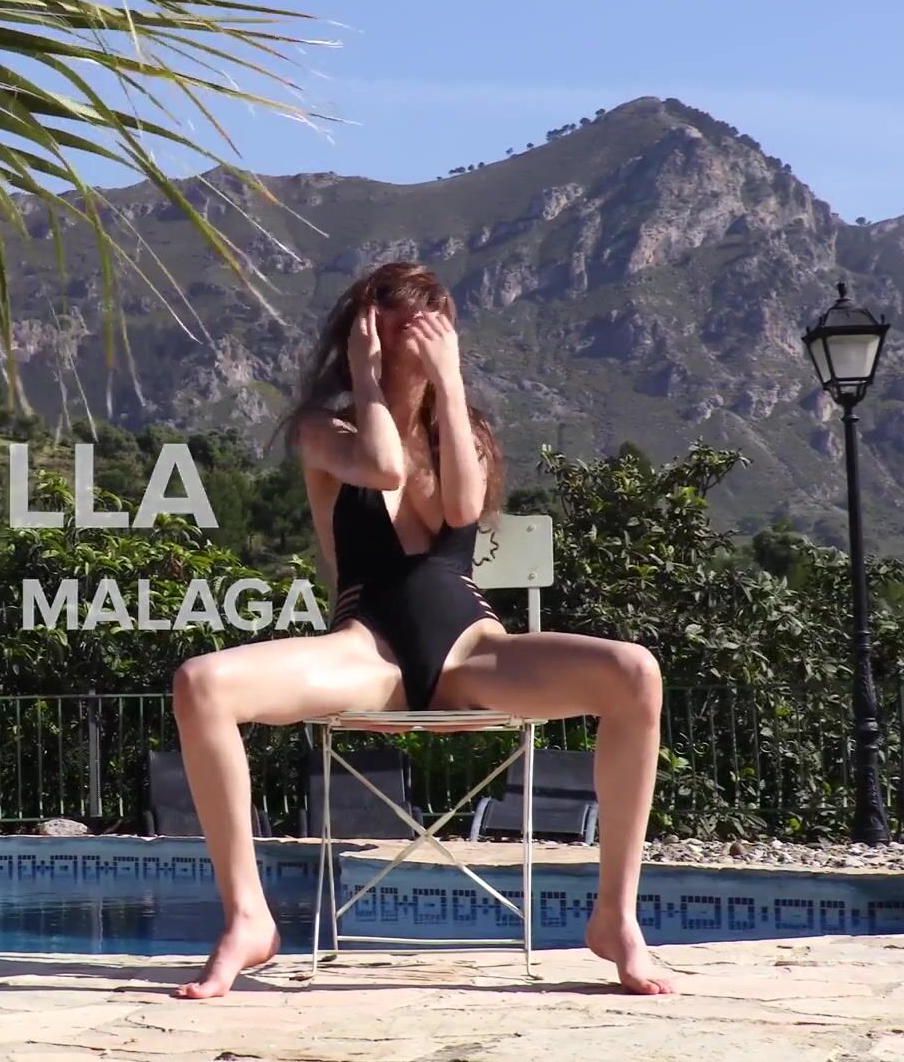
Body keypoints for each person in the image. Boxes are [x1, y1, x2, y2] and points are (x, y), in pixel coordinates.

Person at [171, 262, 675, 999]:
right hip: (365, 648)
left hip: (472, 648)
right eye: (394, 321)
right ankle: (248, 918)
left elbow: (464, 508)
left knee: (635, 671)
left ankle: (616, 919)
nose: (413, 335)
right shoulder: (324, 430)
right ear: (361, 330)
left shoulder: (465, 435)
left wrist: (450, 379)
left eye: (427, 323)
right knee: (200, 684)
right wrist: (367, 379)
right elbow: (380, 469)